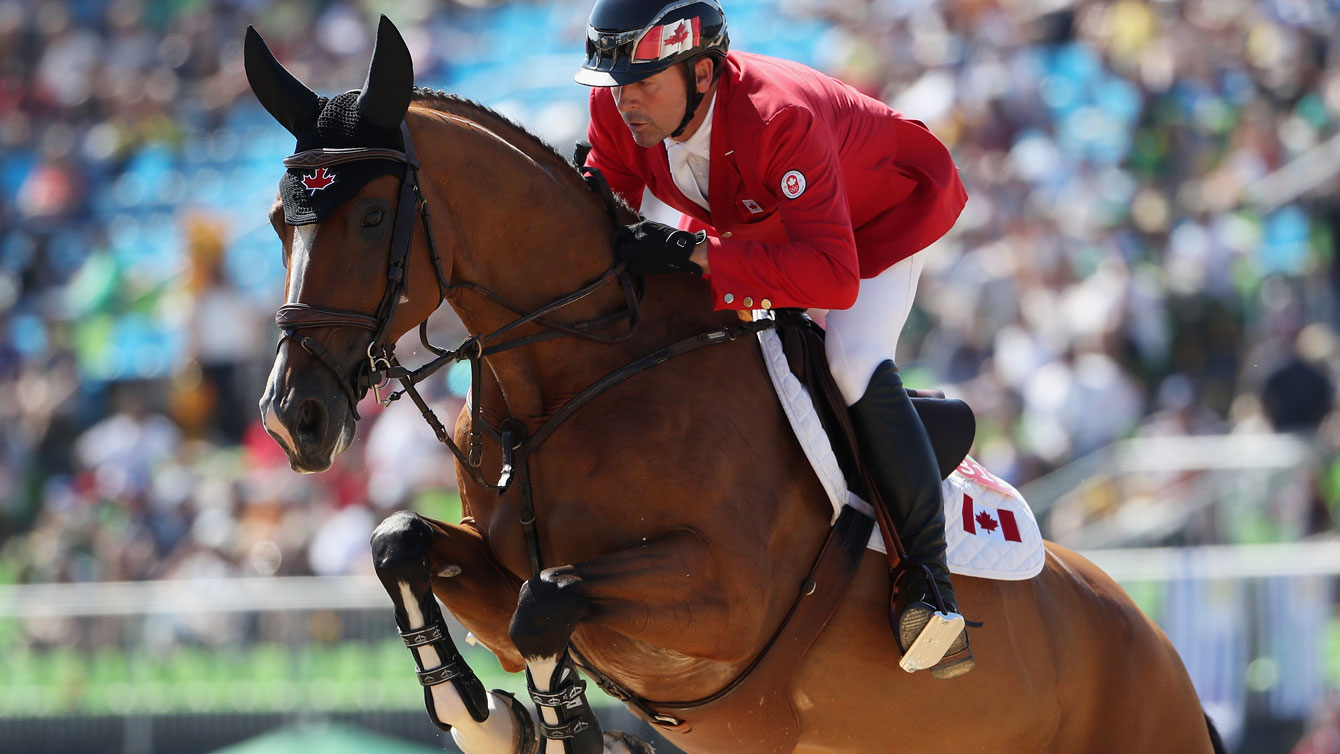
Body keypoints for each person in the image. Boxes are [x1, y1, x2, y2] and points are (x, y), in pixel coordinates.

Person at [576, 0, 973, 677]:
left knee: (849, 358)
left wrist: (698, 254)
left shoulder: (775, 116)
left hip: (874, 225)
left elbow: (832, 277)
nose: (626, 100)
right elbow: (593, 230)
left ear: (703, 73)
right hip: (766, 218)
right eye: (616, 83)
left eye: (643, 82)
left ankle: (928, 590)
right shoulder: (620, 111)